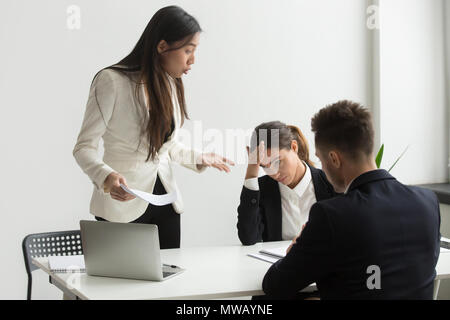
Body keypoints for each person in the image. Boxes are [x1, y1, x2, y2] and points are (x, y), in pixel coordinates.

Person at [73, 6, 234, 249]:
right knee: (123, 285)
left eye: (195, 51)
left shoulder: (169, 84)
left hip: (165, 201)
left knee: (167, 282)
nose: (193, 60)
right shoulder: (111, 81)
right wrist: (106, 177)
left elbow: (165, 148)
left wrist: (200, 157)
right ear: (161, 46)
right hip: (123, 202)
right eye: (188, 50)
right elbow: (84, 148)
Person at [262, 100, 441, 299]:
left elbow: (275, 284)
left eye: (321, 159)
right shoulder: (428, 201)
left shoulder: (331, 215)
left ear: (334, 159)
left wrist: (298, 248)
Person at [237, 121, 336, 246]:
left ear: (294, 147)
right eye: (264, 166)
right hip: (279, 264)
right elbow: (248, 238)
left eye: (277, 161)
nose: (274, 173)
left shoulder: (331, 183)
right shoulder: (261, 189)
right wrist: (252, 169)